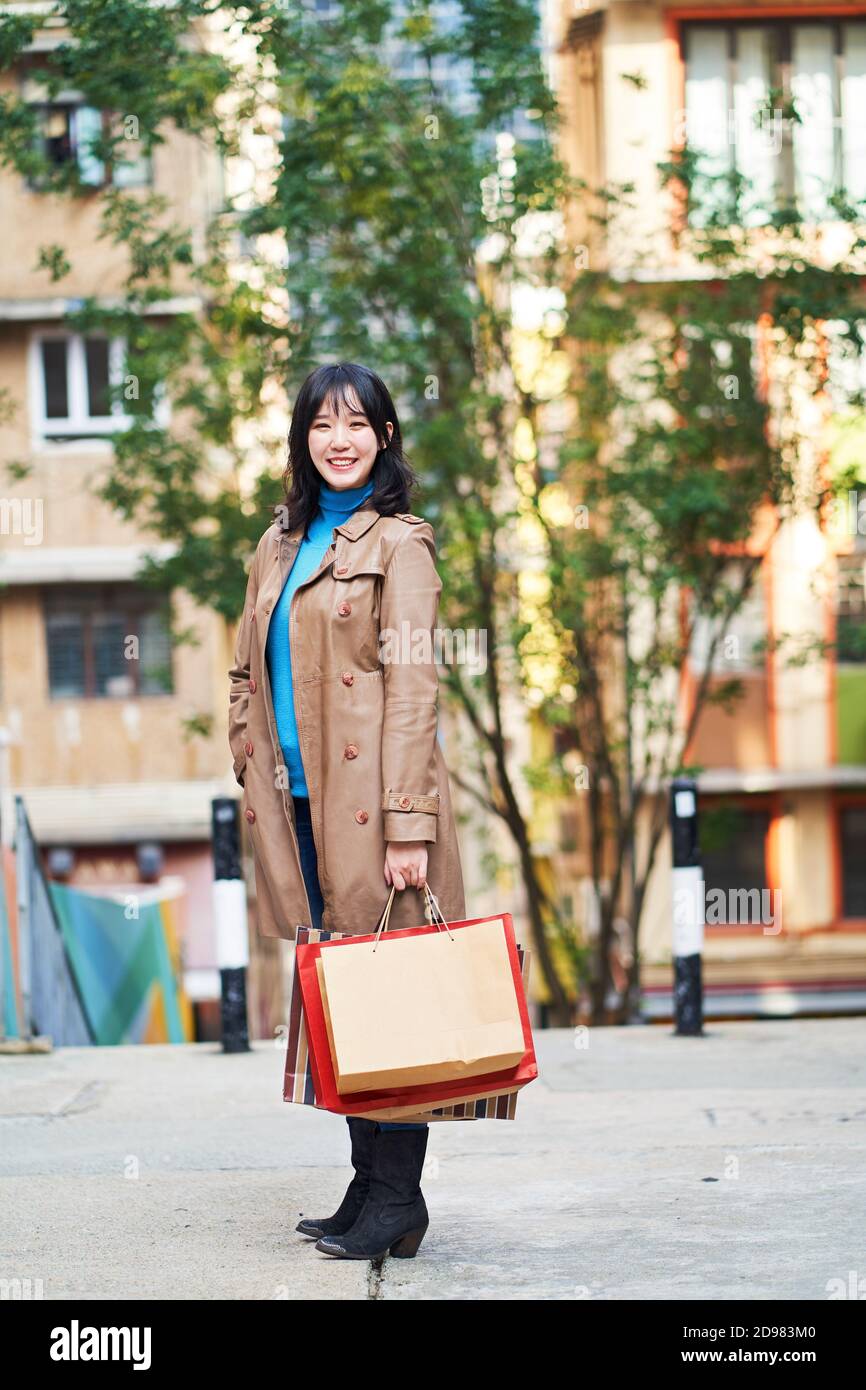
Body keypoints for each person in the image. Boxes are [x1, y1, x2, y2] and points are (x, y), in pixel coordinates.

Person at [228, 361, 467, 1260]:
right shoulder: (277, 545)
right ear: (303, 439)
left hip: (373, 812)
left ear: (384, 437)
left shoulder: (403, 546)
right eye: (323, 424)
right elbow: (245, 668)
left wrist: (410, 820)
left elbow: (415, 689)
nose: (339, 439)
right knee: (338, 999)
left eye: (357, 423)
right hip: (292, 804)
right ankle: (367, 1188)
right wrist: (246, 750)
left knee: (392, 999)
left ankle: (398, 1200)